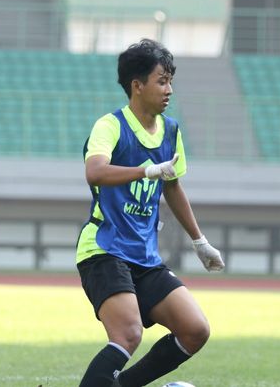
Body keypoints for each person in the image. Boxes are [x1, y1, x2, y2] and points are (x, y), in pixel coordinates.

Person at [76, 39, 225, 387]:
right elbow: (94, 172)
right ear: (137, 85)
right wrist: (146, 171)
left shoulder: (171, 130)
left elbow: (172, 186)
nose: (169, 89)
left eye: (171, 80)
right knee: (128, 334)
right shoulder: (110, 126)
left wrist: (199, 241)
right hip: (104, 250)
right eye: (162, 80)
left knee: (195, 330)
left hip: (145, 257)